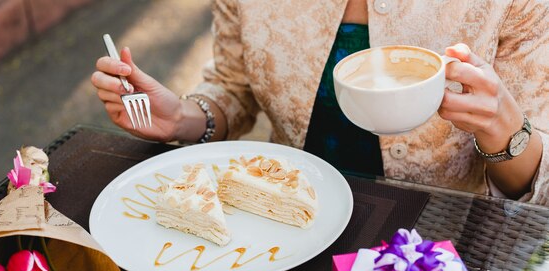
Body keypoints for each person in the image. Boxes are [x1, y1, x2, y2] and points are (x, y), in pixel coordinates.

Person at [91, 0, 548, 205]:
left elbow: (534, 185)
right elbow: (233, 86)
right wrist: (182, 119)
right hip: (285, 220)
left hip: (438, 254)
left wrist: (503, 127)